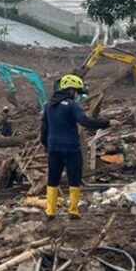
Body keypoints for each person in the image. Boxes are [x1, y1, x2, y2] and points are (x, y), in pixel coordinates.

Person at [39, 74, 113, 218]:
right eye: (77, 92)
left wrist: (47, 146)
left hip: (54, 148)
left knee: (53, 178)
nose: (77, 95)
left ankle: (50, 211)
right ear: (72, 90)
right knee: (74, 178)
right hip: (71, 148)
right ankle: (73, 210)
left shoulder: (48, 105)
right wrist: (106, 123)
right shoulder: (72, 105)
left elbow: (44, 129)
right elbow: (84, 121)